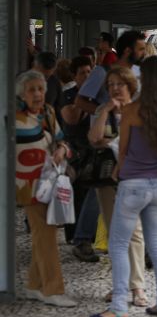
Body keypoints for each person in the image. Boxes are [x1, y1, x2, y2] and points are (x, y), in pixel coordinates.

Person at [91, 57, 157, 317]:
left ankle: (119, 306)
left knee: (117, 244)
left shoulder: (132, 111)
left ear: (144, 80)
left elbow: (124, 151)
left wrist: (117, 174)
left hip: (133, 186)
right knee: (156, 245)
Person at [15, 70, 76, 307]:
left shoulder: (49, 112)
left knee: (44, 234)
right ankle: (53, 289)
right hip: (27, 185)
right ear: (22, 94)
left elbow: (63, 140)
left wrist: (62, 149)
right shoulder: (13, 117)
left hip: (50, 180)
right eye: (32, 90)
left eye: (41, 89)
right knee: (47, 234)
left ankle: (34, 285)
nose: (38, 94)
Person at [88, 67, 148, 309]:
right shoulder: (104, 110)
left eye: (119, 84)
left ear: (130, 87)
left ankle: (138, 287)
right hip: (107, 181)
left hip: (133, 179)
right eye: (111, 84)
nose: (114, 88)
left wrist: (112, 143)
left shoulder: (139, 111)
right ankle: (120, 285)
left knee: (133, 231)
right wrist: (105, 112)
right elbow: (94, 139)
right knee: (115, 234)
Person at [59, 55, 98, 260]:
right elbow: (71, 118)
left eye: (89, 71)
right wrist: (83, 99)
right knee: (73, 193)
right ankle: (73, 235)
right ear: (74, 75)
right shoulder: (69, 94)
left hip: (92, 150)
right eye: (82, 72)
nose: (86, 75)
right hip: (73, 150)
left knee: (89, 192)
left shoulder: (97, 94)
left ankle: (85, 238)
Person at [76, 30, 146, 115]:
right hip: (106, 127)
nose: (144, 53)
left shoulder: (140, 72)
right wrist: (103, 112)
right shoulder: (101, 72)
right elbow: (80, 101)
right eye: (141, 49)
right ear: (127, 51)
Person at [33, 52, 62, 117]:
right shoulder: (21, 81)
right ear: (34, 65)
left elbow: (58, 111)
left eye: (46, 76)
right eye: (39, 75)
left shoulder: (55, 83)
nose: (42, 79)